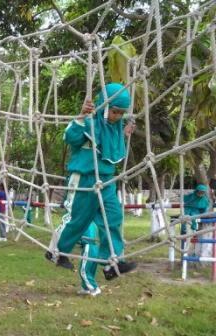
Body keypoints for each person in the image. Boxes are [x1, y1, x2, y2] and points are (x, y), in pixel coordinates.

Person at [50, 83, 137, 280]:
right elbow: (70, 138)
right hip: (85, 178)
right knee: (79, 220)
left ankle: (110, 263)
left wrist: (124, 134)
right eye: (114, 112)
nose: (117, 117)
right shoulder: (90, 122)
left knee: (113, 218)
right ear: (104, 107)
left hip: (106, 181)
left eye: (121, 113)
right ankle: (60, 252)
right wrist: (81, 115)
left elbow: (110, 148)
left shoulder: (115, 128)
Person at [77, 222, 101, 296]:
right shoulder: (93, 222)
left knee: (83, 270)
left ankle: (95, 288)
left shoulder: (84, 221)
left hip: (88, 246)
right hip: (95, 247)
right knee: (90, 270)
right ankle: (86, 288)